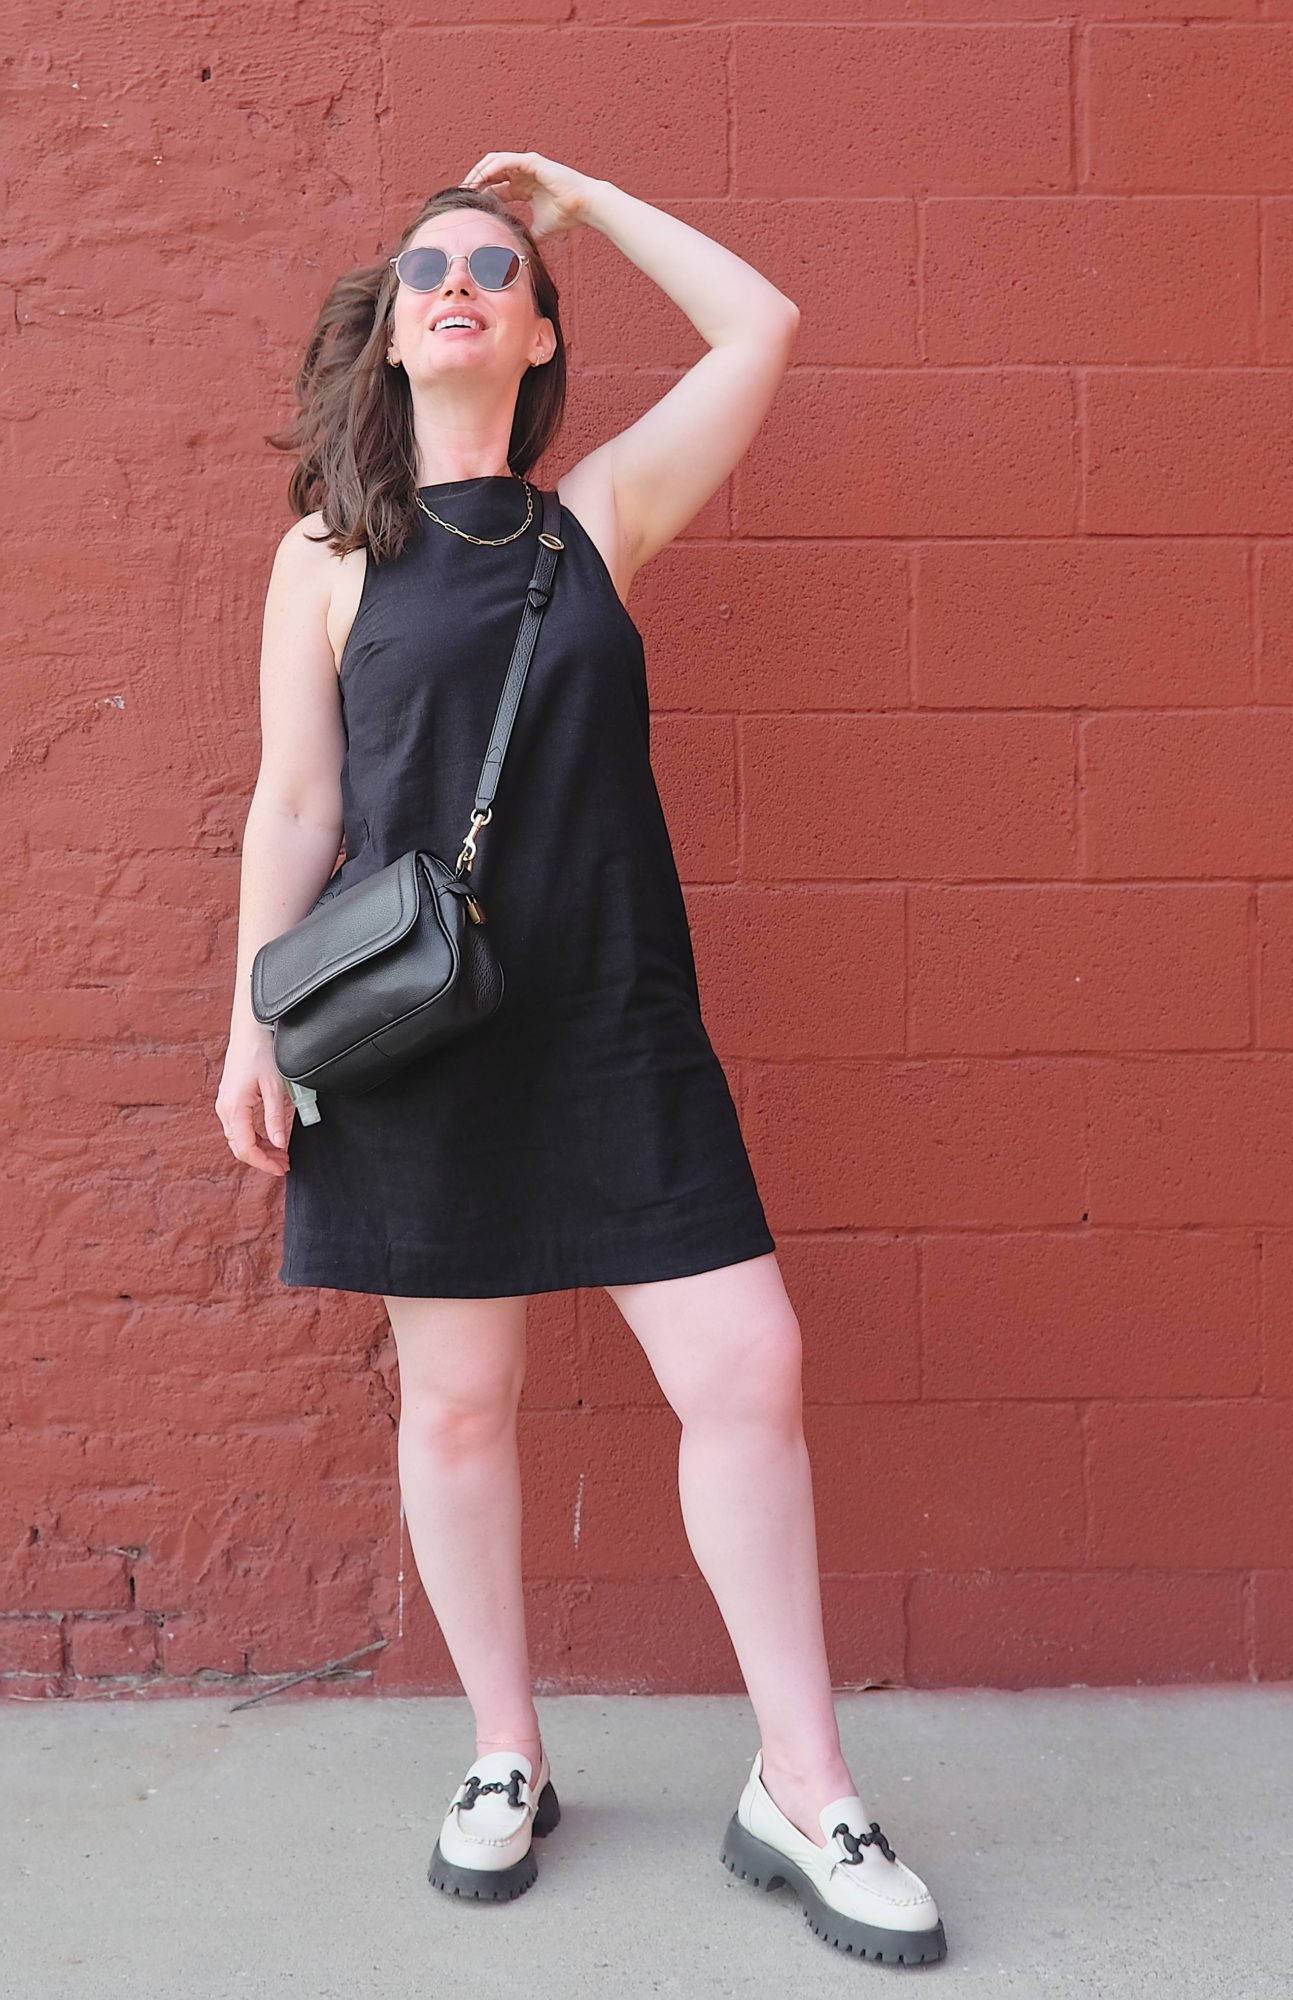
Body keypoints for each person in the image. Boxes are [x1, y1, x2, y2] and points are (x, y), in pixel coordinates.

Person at [215, 152, 946, 1965]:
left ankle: (802, 1778)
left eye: (494, 269)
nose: (457, 283)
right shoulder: (324, 550)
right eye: (427, 269)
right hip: (412, 1033)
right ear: (390, 334)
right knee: (458, 1405)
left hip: (615, 1018)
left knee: (747, 1367)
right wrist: (250, 1017)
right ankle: (505, 1753)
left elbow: (763, 324)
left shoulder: (593, 514)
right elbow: (294, 804)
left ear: (536, 332)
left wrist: (588, 208)